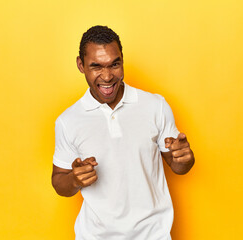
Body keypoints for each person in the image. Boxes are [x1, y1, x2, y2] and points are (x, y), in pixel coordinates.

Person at [51, 25, 194, 240]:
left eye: (114, 64)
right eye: (96, 66)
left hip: (153, 235)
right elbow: (59, 181)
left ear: (122, 61)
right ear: (81, 65)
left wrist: (184, 159)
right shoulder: (68, 121)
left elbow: (179, 166)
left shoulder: (155, 105)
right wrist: (74, 180)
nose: (107, 76)